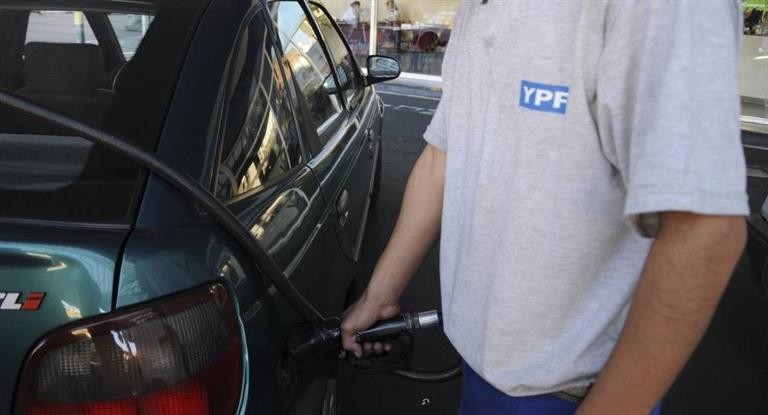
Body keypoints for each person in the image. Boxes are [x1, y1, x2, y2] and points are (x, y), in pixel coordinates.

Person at [341, 1, 747, 414]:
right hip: (483, 372)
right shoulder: (479, 9)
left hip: (573, 393)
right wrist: (379, 296)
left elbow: (704, 232)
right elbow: (442, 159)